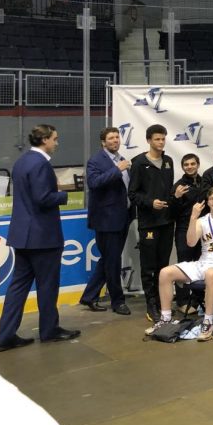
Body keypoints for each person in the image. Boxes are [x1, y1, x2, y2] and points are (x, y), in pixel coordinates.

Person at [0, 124, 78, 352]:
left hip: (22, 236)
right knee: (47, 286)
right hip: (42, 237)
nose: (57, 142)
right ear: (44, 140)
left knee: (18, 287)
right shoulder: (41, 164)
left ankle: (5, 335)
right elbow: (43, 198)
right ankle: (49, 330)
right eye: (55, 139)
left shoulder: (22, 161)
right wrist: (62, 195)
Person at [146, 187, 213, 341]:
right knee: (165, 272)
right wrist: (193, 217)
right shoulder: (201, 221)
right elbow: (191, 243)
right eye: (211, 198)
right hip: (203, 261)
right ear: (207, 202)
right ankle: (165, 319)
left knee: (211, 273)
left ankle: (208, 321)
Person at [78, 127, 133, 315]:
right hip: (106, 219)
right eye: (111, 138)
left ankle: (89, 296)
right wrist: (117, 170)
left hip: (123, 217)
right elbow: (94, 183)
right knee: (113, 261)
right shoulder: (96, 161)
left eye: (117, 137)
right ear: (103, 142)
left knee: (109, 259)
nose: (115, 140)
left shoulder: (121, 159)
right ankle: (118, 302)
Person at [127, 124, 176, 322]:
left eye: (163, 139)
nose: (161, 142)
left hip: (166, 222)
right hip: (148, 223)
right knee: (149, 266)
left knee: (164, 266)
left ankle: (163, 301)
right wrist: (150, 203)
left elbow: (168, 190)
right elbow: (132, 193)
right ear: (149, 140)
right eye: (157, 139)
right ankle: (151, 304)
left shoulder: (169, 162)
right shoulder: (139, 163)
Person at [170, 153, 213, 315]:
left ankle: (197, 299)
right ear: (183, 167)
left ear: (197, 164)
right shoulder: (179, 186)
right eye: (186, 164)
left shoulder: (204, 182)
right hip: (184, 228)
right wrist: (176, 197)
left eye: (192, 164)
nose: (189, 167)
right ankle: (182, 301)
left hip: (203, 228)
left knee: (201, 263)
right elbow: (171, 212)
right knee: (184, 264)